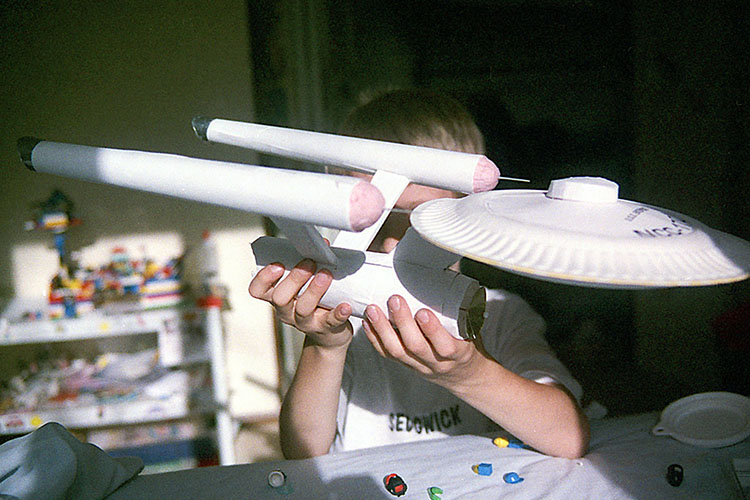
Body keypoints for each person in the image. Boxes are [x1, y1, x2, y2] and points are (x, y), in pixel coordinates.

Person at [249, 89, 590, 460]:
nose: (390, 244)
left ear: (469, 214)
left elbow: (568, 438)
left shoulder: (501, 315)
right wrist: (325, 347)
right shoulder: (346, 325)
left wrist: (468, 373)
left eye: (419, 222)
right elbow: (303, 454)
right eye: (370, 224)